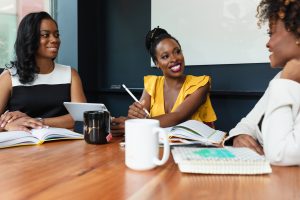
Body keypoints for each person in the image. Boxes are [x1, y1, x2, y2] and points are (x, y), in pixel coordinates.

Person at [226, 0, 300, 165]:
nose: (268, 43)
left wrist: (287, 80)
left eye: (271, 33)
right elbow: (246, 124)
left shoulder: (284, 81)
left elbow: (281, 154)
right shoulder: (279, 78)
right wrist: (239, 137)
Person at [0, 11, 86, 132]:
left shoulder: (70, 74)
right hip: (21, 146)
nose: (54, 40)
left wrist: (37, 121)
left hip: (62, 144)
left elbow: (80, 116)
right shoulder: (9, 76)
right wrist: (7, 125)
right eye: (45, 35)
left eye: (56, 35)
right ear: (29, 38)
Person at [127, 27, 216, 128]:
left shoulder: (200, 84)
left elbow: (177, 117)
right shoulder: (152, 84)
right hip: (161, 143)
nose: (174, 59)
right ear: (157, 63)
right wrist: (135, 114)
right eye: (165, 56)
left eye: (177, 51)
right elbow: (139, 117)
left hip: (197, 143)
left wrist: (132, 125)